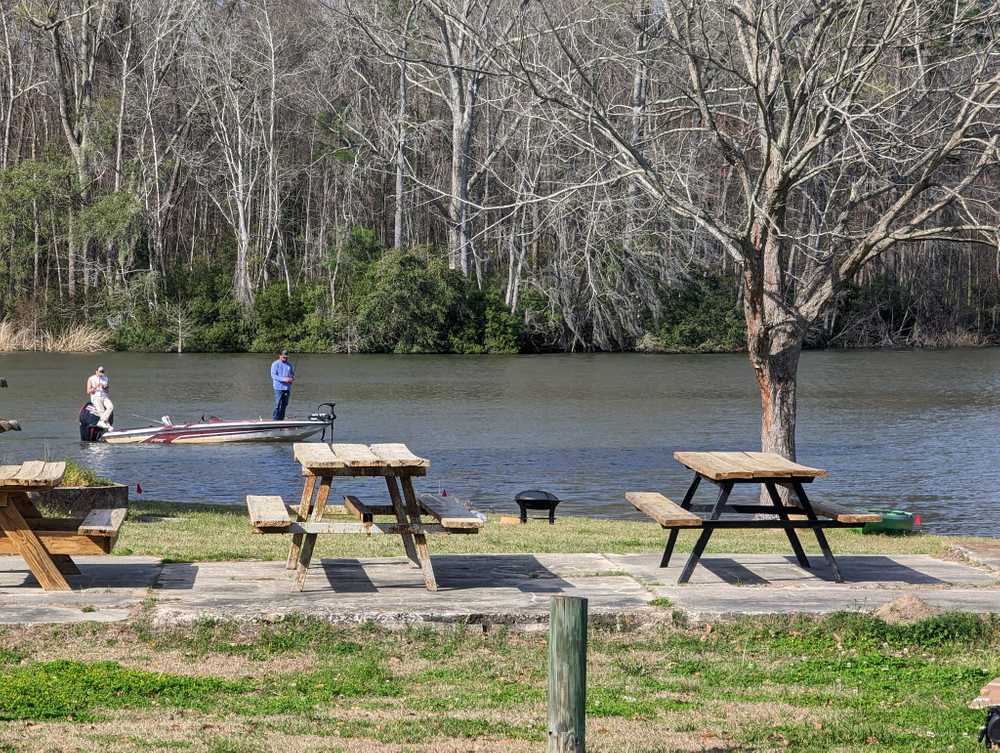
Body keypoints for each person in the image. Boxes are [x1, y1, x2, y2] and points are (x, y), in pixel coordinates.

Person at [85, 366, 114, 430]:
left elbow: (107, 391)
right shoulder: (91, 378)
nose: (101, 373)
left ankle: (101, 422)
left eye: (102, 372)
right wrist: (95, 387)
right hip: (96, 397)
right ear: (96, 371)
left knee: (110, 406)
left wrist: (105, 387)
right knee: (101, 410)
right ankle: (108, 425)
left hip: (104, 396)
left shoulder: (105, 378)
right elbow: (88, 391)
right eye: (100, 372)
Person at [270, 349, 294, 420]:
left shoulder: (290, 365)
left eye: (286, 357)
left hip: (287, 388)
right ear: (280, 356)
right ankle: (275, 420)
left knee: (285, 404)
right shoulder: (275, 364)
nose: (285, 358)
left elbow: (292, 375)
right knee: (278, 404)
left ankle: (281, 419)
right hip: (278, 388)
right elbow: (273, 376)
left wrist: (291, 379)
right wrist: (284, 379)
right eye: (284, 357)